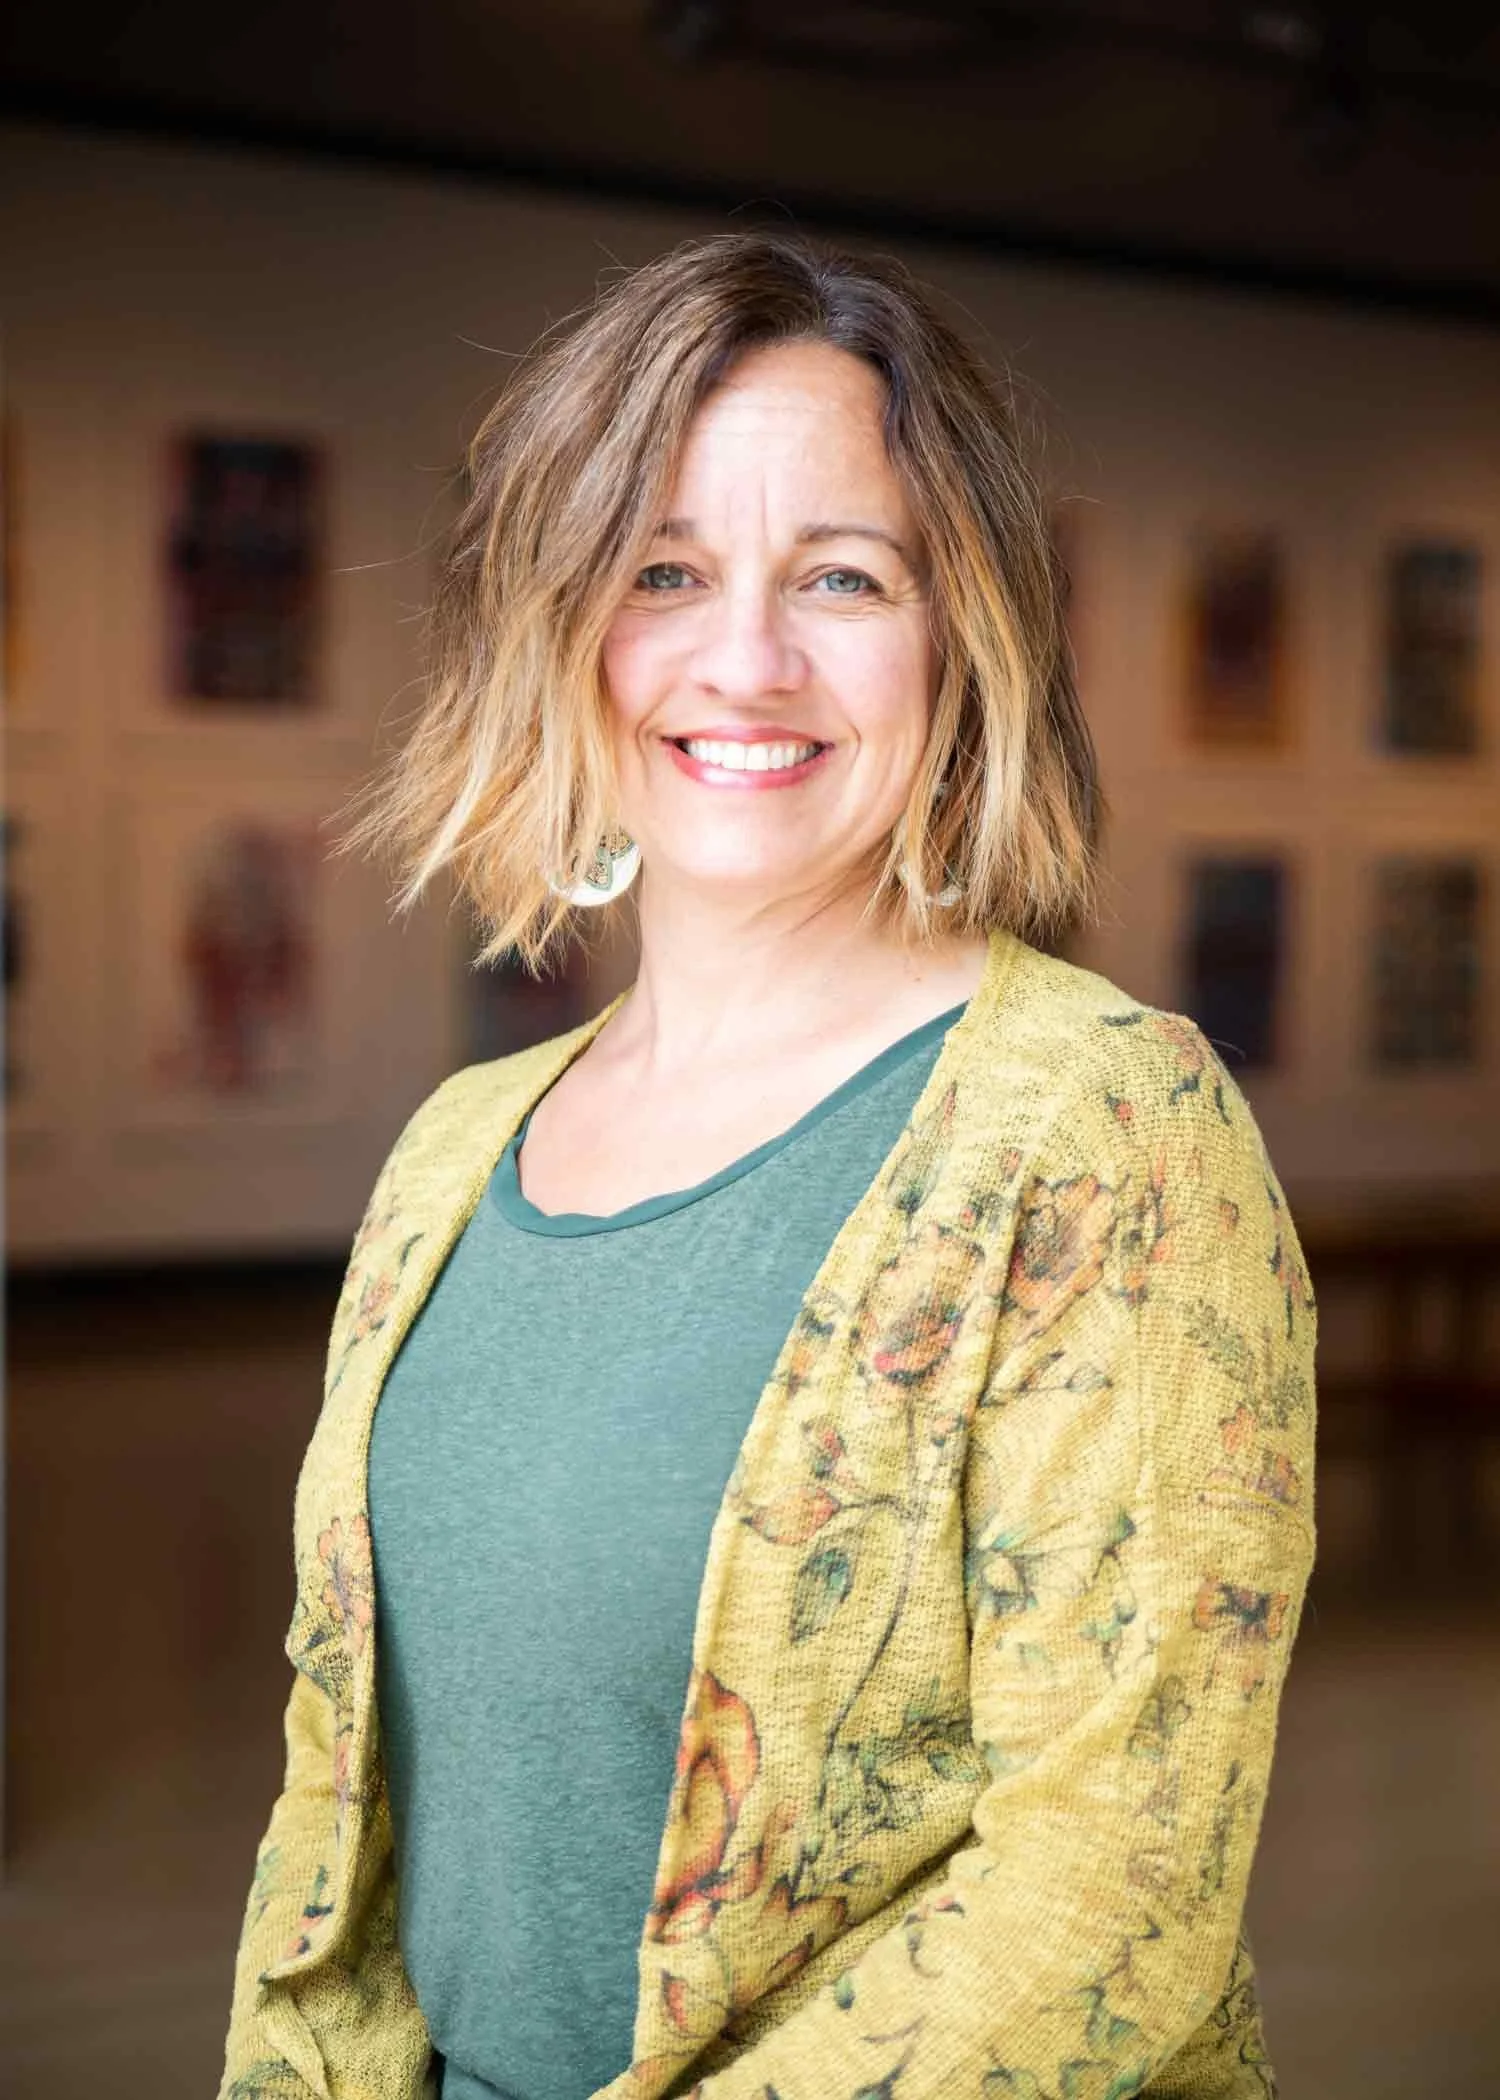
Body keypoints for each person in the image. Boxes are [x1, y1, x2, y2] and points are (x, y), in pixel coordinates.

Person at [219, 233, 1316, 2100]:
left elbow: (1110, 1891)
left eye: (841, 575)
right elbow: (341, 1814)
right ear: (552, 625)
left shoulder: (1109, 1129)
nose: (746, 659)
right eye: (663, 570)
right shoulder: (454, 1153)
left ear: (962, 633)